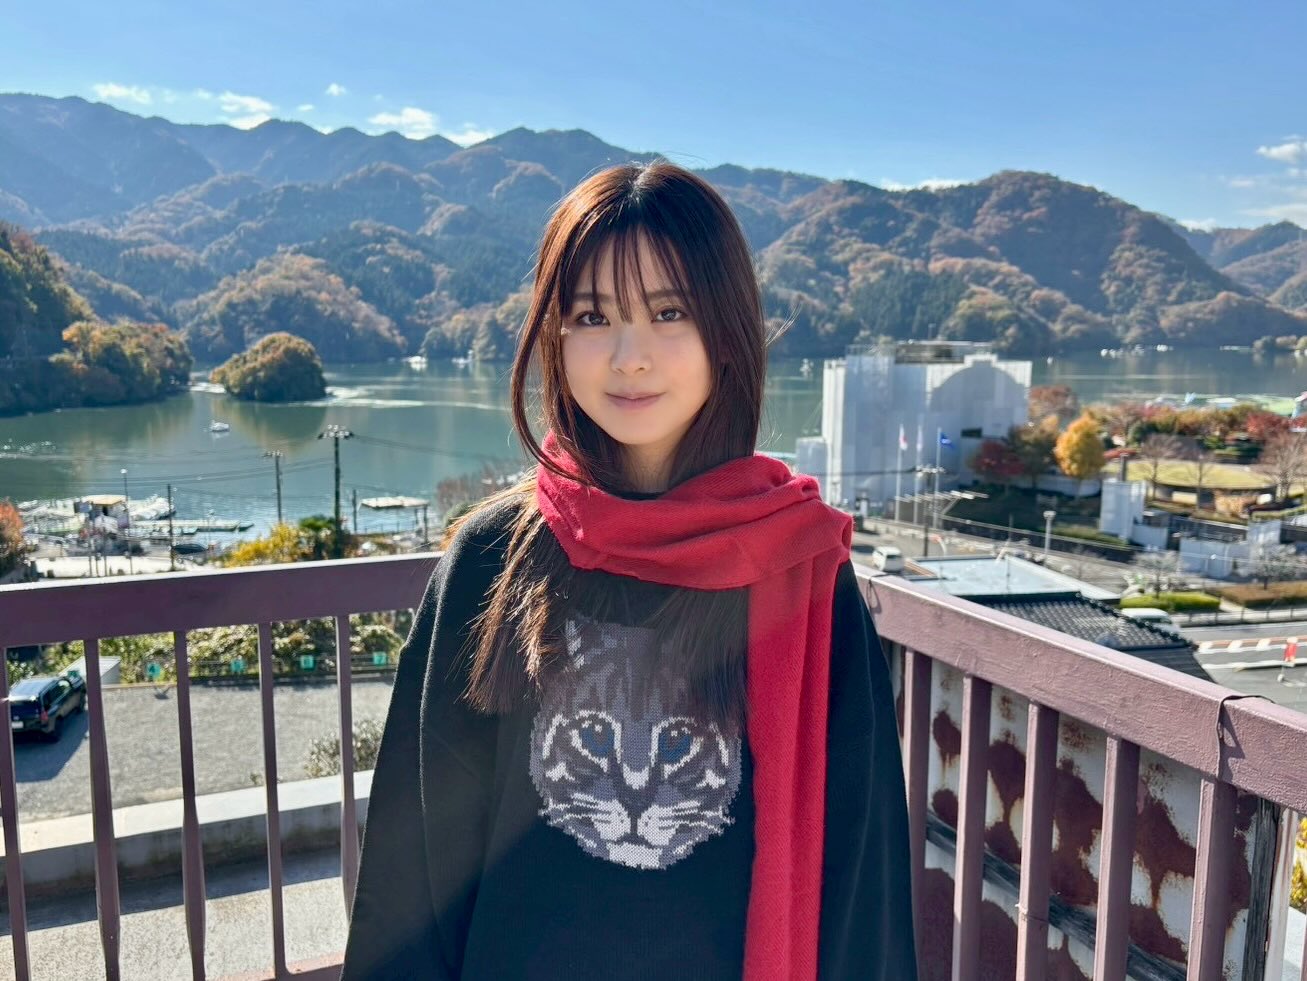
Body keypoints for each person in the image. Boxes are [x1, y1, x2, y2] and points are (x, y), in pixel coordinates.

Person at [342, 161, 917, 981]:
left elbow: (861, 875)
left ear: (726, 330)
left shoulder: (800, 571)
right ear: (554, 336)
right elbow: (414, 869)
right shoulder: (492, 560)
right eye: (592, 316)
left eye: (668, 312)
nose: (629, 356)